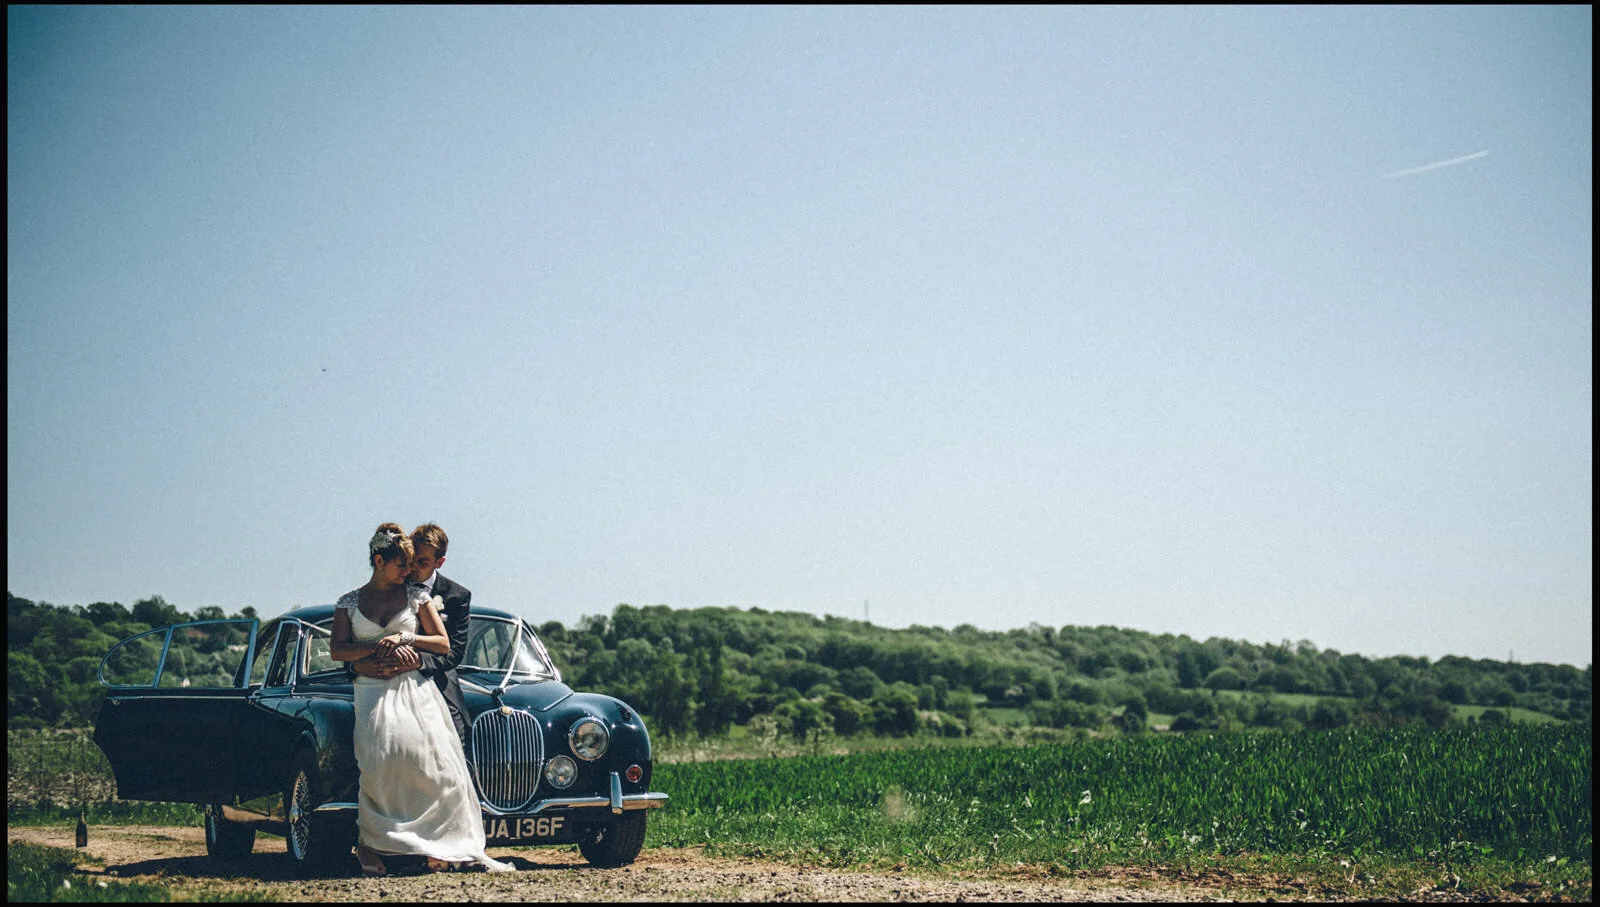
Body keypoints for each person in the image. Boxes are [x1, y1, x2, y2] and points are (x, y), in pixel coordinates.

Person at [329, 523, 512, 877]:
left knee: (431, 764)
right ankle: (372, 844)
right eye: (402, 565)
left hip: (417, 687)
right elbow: (338, 649)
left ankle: (436, 844)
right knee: (377, 765)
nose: (409, 572)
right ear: (380, 561)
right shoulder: (349, 602)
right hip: (372, 689)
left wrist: (406, 641)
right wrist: (369, 655)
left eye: (416, 564)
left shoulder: (421, 596)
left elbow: (446, 647)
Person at [351, 522, 472, 749]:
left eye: (423, 562)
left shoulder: (457, 596)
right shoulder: (391, 583)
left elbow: (453, 652)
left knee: (455, 730)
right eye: (412, 558)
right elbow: (361, 636)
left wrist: (417, 661)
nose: (413, 567)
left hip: (436, 675)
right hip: (384, 675)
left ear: (440, 562)